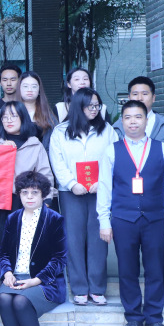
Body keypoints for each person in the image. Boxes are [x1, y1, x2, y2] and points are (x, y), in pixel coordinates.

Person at [97, 100, 164, 326]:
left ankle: (154, 318)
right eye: (128, 117)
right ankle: (133, 317)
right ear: (122, 122)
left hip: (155, 219)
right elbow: (105, 188)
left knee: (155, 269)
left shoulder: (162, 149)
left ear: (146, 120)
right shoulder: (112, 150)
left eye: (138, 117)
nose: (133, 122)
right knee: (127, 270)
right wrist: (104, 221)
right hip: (123, 219)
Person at [113, 76, 164, 307]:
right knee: (129, 263)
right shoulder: (118, 127)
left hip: (156, 201)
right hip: (128, 204)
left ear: (153, 97)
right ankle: (133, 312)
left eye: (144, 93)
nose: (140, 97)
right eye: (135, 94)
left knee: (163, 252)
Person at [49, 88, 117, 306]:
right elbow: (57, 161)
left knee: (98, 239)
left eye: (97, 105)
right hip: (71, 192)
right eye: (90, 106)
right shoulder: (60, 132)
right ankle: (79, 288)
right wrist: (71, 183)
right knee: (74, 239)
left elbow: (115, 157)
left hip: (99, 191)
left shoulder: (107, 130)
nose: (94, 110)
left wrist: (103, 182)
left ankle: (97, 288)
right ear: (78, 106)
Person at [0, 171, 67, 326]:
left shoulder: (54, 219)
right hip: (16, 275)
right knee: (3, 298)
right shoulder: (13, 218)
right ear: (18, 194)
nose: (29, 197)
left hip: (45, 281)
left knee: (20, 301)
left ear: (43, 195)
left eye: (34, 192)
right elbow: (2, 253)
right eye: (24, 192)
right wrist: (7, 272)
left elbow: (60, 258)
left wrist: (36, 280)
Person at [0, 101, 54, 276]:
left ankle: (21, 270)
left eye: (13, 116)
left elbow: (45, 173)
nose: (9, 120)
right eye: (5, 117)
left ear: (23, 118)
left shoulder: (34, 144)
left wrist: (47, 198)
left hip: (24, 198)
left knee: (22, 235)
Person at [16, 71, 57, 151]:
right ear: (19, 89)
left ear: (39, 90)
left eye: (34, 86)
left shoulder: (48, 115)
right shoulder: (11, 113)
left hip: (43, 157)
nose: (30, 90)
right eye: (25, 86)